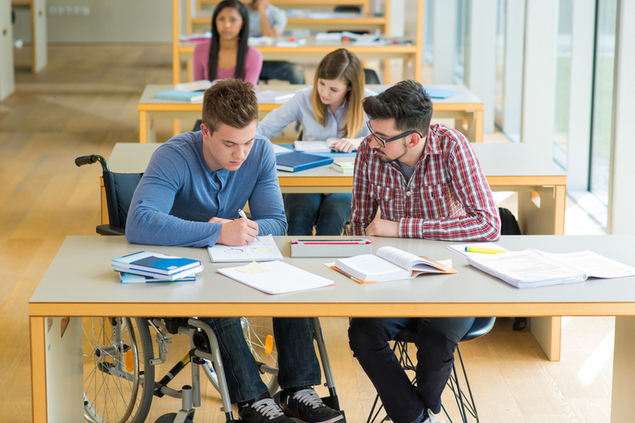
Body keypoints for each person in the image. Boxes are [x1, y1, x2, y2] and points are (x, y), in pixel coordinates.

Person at [126, 79, 344, 423]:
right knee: (220, 306)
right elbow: (138, 223)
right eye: (229, 143)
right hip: (183, 269)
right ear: (205, 132)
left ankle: (297, 390)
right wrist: (217, 232)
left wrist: (244, 229)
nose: (240, 154)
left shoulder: (260, 152)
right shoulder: (173, 155)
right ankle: (255, 402)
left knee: (293, 287)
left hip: (236, 261)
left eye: (247, 142)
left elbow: (276, 223)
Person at [347, 80, 501, 423]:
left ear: (413, 139)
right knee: (361, 332)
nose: (372, 142)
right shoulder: (368, 152)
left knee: (436, 339)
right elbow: (358, 223)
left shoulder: (452, 147)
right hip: (393, 276)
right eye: (371, 131)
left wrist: (403, 227)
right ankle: (419, 416)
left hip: (455, 279)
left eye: (381, 137)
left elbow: (489, 225)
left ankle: (413, 414)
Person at [256, 48, 374, 236]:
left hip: (345, 182)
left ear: (350, 87)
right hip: (306, 177)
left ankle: (325, 265)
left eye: (334, 89)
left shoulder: (368, 100)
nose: (324, 93)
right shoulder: (303, 97)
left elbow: (387, 139)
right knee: (297, 220)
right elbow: (262, 130)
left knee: (331, 222)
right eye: (321, 83)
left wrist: (360, 141)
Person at [193, 0, 263, 85]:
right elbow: (197, 89)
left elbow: (249, 93)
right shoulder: (200, 50)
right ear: (215, 21)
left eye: (233, 20)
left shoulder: (254, 55)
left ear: (242, 23)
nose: (226, 25)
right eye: (221, 19)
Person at [247, 0, 306, 84]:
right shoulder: (240, 11)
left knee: (297, 70)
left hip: (268, 61)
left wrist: (262, 12)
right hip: (246, 61)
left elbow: (271, 37)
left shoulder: (278, 14)